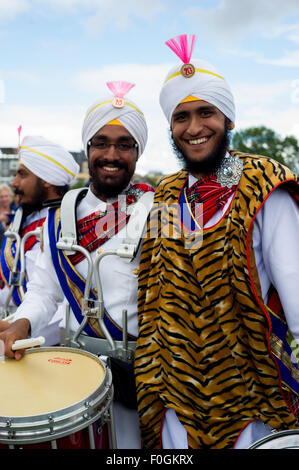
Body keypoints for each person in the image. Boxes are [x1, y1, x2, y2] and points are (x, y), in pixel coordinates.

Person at [134, 34, 299, 449]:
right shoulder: (168, 192)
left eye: (205, 112)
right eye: (181, 117)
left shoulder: (264, 186)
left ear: (228, 119)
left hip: (251, 401)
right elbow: (155, 294)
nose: (193, 128)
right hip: (176, 402)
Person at [0, 81, 154, 449]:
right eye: (101, 142)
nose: (111, 154)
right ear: (88, 149)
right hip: (75, 373)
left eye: (124, 144)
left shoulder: (159, 212)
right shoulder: (61, 215)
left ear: (138, 152)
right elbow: (44, 291)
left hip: (142, 381)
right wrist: (23, 321)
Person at [0, 136, 79, 346]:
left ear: (47, 179)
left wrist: (17, 328)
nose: (14, 183)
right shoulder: (24, 217)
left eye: (22, 175)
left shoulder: (65, 226)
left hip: (36, 341)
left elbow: (55, 299)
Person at [0, 183, 18, 249]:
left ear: (10, 196)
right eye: (1, 197)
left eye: (6, 196)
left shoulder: (17, 211)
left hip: (13, 248)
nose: (4, 199)